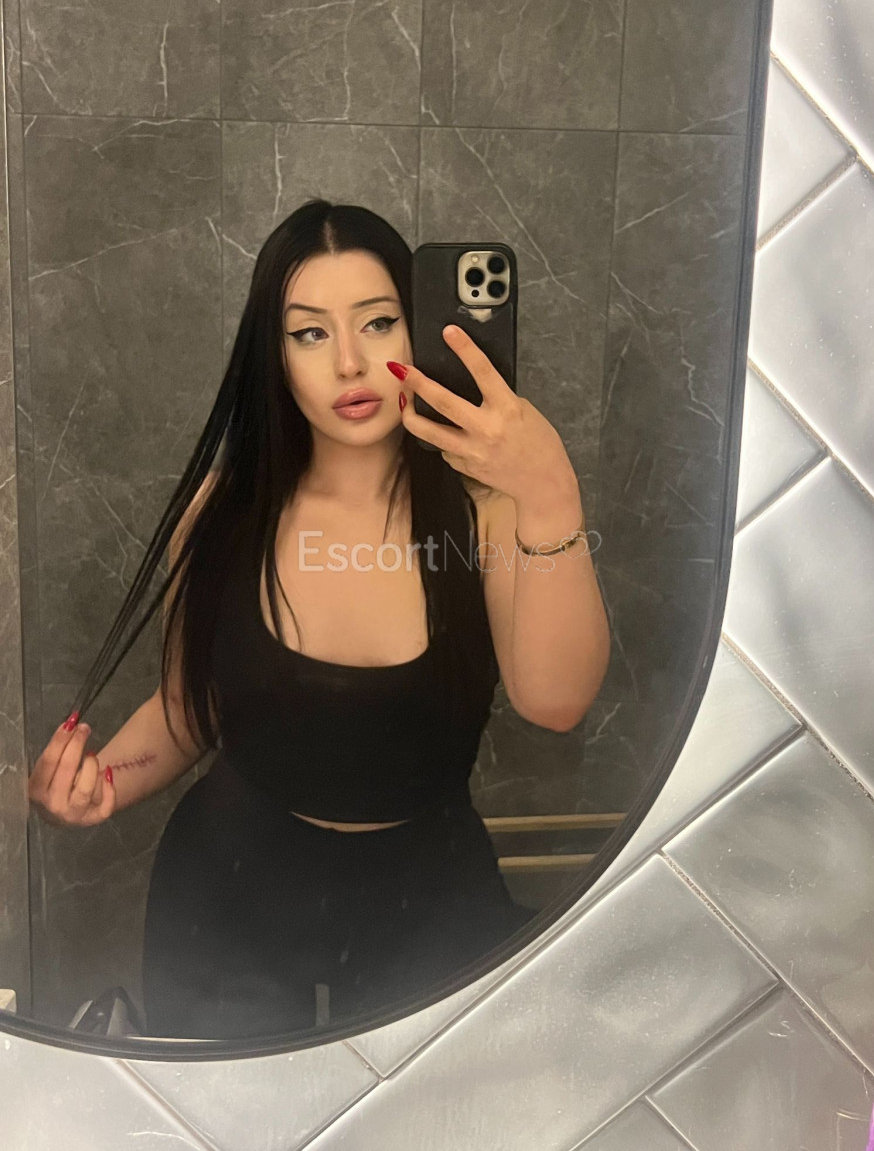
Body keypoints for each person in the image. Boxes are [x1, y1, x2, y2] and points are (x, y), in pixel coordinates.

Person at [28, 199, 605, 1040]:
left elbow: (555, 701)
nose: (348, 363)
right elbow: (190, 709)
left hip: (430, 898)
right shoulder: (222, 512)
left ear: (420, 330)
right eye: (308, 333)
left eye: (378, 323)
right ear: (275, 356)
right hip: (231, 896)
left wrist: (550, 494)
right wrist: (99, 786)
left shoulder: (487, 513)